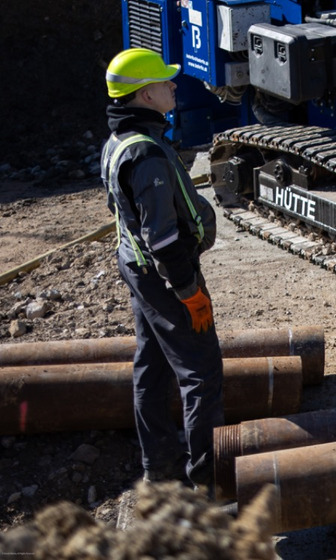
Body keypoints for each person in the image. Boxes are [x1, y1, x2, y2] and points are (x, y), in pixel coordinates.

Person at [100, 48, 223, 490]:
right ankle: (208, 480)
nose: (174, 86)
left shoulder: (122, 139)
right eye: (166, 82)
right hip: (164, 276)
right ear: (146, 94)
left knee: (151, 365)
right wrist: (188, 290)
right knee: (201, 374)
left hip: (136, 267)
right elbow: (163, 240)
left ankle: (161, 467)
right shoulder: (146, 154)